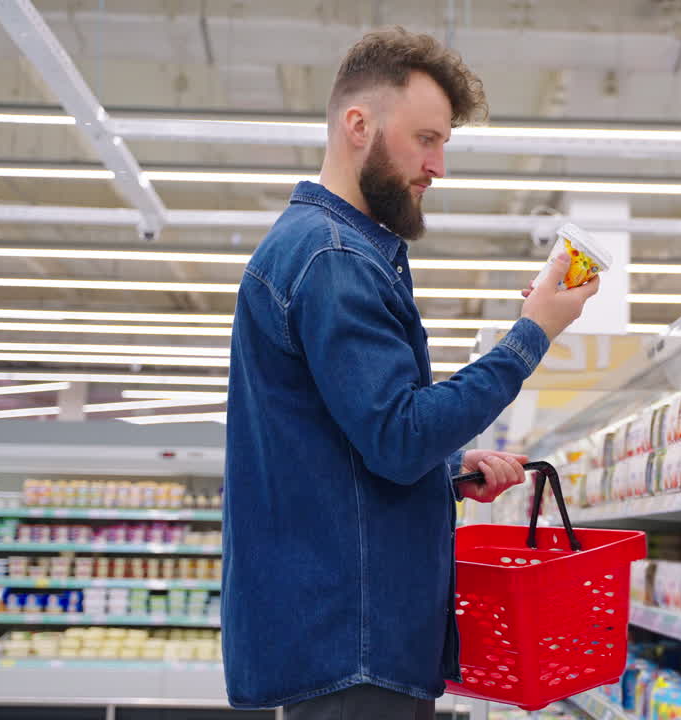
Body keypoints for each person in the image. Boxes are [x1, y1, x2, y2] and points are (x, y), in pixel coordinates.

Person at [221, 28, 599, 720]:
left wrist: (447, 468)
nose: (439, 166)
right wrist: (532, 334)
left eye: (444, 142)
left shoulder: (325, 250)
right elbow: (396, 438)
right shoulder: (334, 259)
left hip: (340, 637)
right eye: (426, 139)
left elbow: (349, 440)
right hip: (354, 641)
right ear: (358, 126)